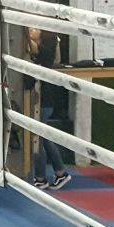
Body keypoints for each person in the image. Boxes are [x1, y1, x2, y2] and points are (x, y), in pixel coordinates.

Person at [27, 29, 71, 190]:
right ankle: (59, 172)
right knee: (42, 137)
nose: (32, 30)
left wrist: (23, 31)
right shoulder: (38, 52)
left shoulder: (44, 54)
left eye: (35, 29)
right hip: (39, 99)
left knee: (39, 138)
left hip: (43, 101)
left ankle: (42, 176)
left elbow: (33, 46)